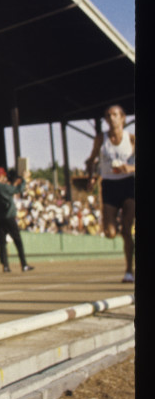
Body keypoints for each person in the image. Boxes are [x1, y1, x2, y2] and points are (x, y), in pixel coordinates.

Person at [86, 104, 135, 283]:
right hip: (109, 185)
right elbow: (92, 159)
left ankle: (129, 270)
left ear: (122, 118)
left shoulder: (131, 139)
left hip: (129, 184)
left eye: (115, 114)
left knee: (126, 230)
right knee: (110, 232)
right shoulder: (101, 139)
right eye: (108, 115)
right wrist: (91, 176)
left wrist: (130, 167)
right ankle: (117, 233)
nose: (111, 117)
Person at [0, 167, 34, 273]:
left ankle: (5, 266)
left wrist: (13, 184)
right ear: (0, 176)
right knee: (18, 240)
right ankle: (24, 264)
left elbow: (6, 193)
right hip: (8, 216)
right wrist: (24, 179)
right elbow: (18, 190)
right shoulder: (2, 186)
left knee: (2, 242)